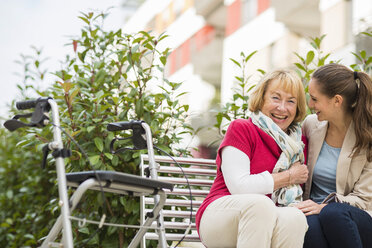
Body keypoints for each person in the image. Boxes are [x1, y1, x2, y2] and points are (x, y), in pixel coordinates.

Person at [195, 70, 309, 248]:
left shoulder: (298, 143)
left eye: (291, 101)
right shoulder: (242, 129)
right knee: (260, 204)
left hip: (269, 218)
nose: (282, 107)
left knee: (294, 217)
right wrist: (289, 177)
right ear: (261, 98)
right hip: (221, 217)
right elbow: (240, 186)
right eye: (276, 98)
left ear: (298, 107)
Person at [297, 63, 372, 248]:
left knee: (332, 214)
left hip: (355, 218)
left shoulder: (367, 137)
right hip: (314, 214)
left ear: (337, 100)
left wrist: (323, 207)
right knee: (311, 223)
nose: (310, 104)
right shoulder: (311, 125)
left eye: (314, 99)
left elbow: (364, 200)